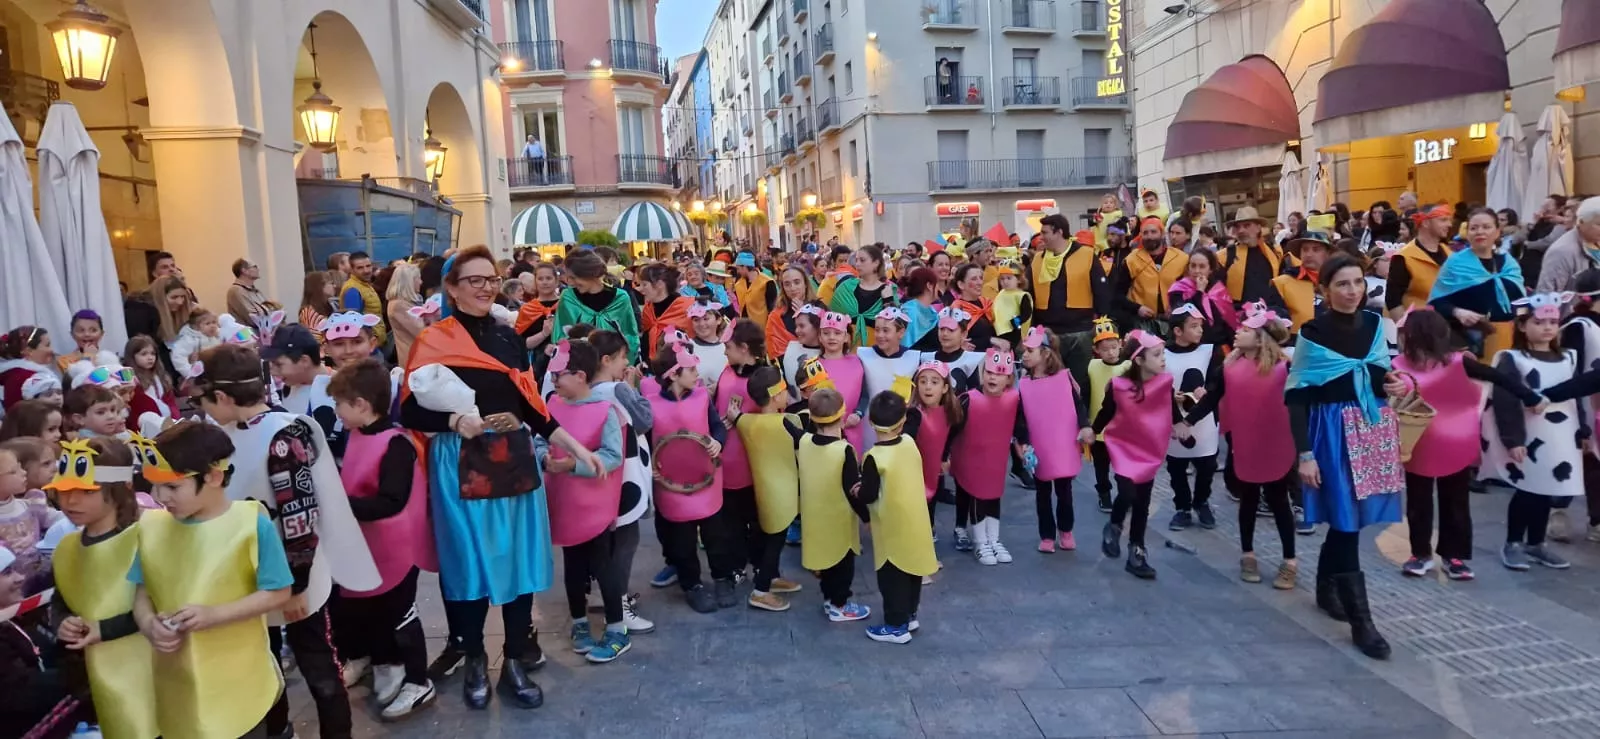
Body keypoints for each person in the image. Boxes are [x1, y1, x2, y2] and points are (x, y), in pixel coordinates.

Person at [401, 245, 602, 709]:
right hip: (459, 460)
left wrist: (576, 447)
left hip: (512, 456)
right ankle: (474, 657)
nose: (486, 287)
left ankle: (513, 659)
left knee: (518, 561)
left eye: (491, 279)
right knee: (466, 562)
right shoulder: (433, 340)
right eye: (474, 280)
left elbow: (531, 408)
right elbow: (409, 410)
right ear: (451, 289)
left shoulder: (507, 337)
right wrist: (455, 422)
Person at [193, 344, 378, 738]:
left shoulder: (283, 435)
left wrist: (295, 586)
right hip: (251, 575)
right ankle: (277, 730)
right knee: (263, 663)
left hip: (295, 578)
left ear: (222, 396)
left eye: (203, 401)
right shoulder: (223, 436)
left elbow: (300, 516)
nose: (203, 410)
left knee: (318, 665)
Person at [130, 421, 294, 738]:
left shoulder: (251, 524)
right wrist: (148, 623)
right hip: (177, 685)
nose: (160, 497)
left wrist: (215, 614)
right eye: (155, 486)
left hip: (238, 681)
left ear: (214, 477)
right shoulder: (151, 528)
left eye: (172, 487)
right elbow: (142, 590)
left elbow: (278, 591)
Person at [1286, 253, 1406, 660]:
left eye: (1358, 282)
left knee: (1350, 519)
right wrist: (1305, 454)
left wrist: (1395, 384)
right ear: (1325, 290)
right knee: (1347, 521)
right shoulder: (1313, 333)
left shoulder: (1374, 324)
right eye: (1342, 284)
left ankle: (1325, 587)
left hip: (1370, 428)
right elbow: (1297, 398)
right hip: (1332, 434)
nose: (1352, 291)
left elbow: (1379, 376)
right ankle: (1362, 622)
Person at [1393, 308, 1542, 582]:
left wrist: (1530, 397)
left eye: (1405, 333)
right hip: (1417, 442)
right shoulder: (1397, 365)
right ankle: (1420, 553)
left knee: (1456, 501)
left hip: (1456, 441)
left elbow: (1498, 377)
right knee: (1419, 501)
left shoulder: (1459, 362)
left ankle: (1454, 556)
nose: (1401, 338)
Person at [326, 359, 439, 718]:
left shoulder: (397, 444)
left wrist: (339, 503)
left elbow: (392, 502)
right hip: (366, 544)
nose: (336, 411)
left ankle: (418, 679)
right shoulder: (357, 434)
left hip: (395, 548)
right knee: (368, 608)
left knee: (399, 612)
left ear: (361, 405)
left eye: (339, 404)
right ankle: (385, 663)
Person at [45, 437, 157, 739]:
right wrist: (63, 622)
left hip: (155, 669)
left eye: (87, 491)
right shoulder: (67, 548)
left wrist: (106, 629)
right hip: (101, 679)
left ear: (122, 489)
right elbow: (62, 598)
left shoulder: (148, 536)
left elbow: (165, 600)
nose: (71, 501)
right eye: (64, 491)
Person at [1187, 303, 1300, 586]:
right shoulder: (1228, 368)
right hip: (1245, 442)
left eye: (1246, 329)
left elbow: (1302, 404)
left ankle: (1290, 560)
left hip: (1277, 443)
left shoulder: (1285, 367)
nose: (1238, 332)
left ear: (1260, 338)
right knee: (1248, 499)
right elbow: (1211, 399)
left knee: (1279, 500)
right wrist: (1187, 421)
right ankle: (1247, 555)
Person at [539, 341, 633, 663]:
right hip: (565, 502)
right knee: (573, 564)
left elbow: (612, 456)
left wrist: (572, 464)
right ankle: (579, 622)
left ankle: (617, 627)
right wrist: (543, 457)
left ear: (580, 376)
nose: (553, 382)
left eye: (558, 376)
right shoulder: (552, 406)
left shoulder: (606, 411)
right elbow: (539, 439)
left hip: (594, 506)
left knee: (604, 565)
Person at [1480, 293, 1584, 573]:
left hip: (1562, 434)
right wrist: (1512, 439)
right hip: (1529, 435)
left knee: (1548, 488)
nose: (1547, 328)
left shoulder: (1568, 358)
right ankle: (1513, 542)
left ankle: (1536, 543)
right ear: (1522, 325)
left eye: (1553, 322)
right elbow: (1505, 400)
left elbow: (1576, 395)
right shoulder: (1512, 359)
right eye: (1539, 322)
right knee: (1528, 488)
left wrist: (1583, 430)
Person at [646, 340, 733, 612]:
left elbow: (718, 427)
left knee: (716, 536)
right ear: (673, 374)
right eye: (691, 369)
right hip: (671, 487)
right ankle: (692, 584)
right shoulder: (650, 405)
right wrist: (650, 468)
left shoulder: (702, 397)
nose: (697, 373)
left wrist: (718, 442)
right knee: (682, 542)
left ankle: (722, 577)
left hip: (707, 481)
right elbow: (644, 444)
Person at [854, 390, 937, 644]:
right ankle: (910, 615)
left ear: (870, 422)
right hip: (916, 523)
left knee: (892, 579)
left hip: (891, 528)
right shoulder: (909, 443)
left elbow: (868, 495)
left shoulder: (873, 458)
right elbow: (912, 419)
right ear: (902, 422)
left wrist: (857, 490)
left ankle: (895, 626)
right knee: (913, 572)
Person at [1093, 329, 1173, 579]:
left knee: (1142, 503)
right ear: (1139, 360)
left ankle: (1137, 551)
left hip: (1149, 450)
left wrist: (1183, 426)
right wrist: (1091, 431)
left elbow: (1172, 410)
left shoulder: (1165, 383)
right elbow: (1106, 413)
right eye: (1157, 354)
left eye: (1163, 354)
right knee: (1128, 493)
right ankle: (1115, 525)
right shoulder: (1118, 387)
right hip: (1124, 448)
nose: (1163, 359)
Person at [729, 365, 804, 612]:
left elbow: (736, 416)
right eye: (783, 390)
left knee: (769, 537)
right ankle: (761, 591)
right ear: (775, 395)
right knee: (776, 541)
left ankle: (771, 576)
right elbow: (806, 441)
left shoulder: (746, 421)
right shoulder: (784, 423)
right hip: (783, 494)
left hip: (763, 492)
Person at [1018, 327, 1091, 553]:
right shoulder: (1023, 384)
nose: (1024, 355)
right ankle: (1047, 535)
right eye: (1024, 351)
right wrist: (1023, 442)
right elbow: (1020, 417)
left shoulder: (1064, 378)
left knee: (1064, 491)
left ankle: (1066, 530)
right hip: (1038, 446)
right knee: (1042, 494)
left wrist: (1085, 426)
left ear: (1046, 353)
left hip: (1063, 444)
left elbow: (1078, 404)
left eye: (1030, 351)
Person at [950, 349, 1023, 566]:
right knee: (977, 496)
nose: (993, 377)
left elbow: (1020, 424)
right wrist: (944, 455)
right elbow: (953, 428)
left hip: (995, 460)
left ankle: (994, 539)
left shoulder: (1013, 399)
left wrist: (1024, 444)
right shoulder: (969, 399)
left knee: (993, 496)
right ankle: (981, 542)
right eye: (989, 372)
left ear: (1009, 379)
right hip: (970, 459)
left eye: (1000, 374)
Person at [1430, 207, 1527, 358]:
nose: (1479, 232)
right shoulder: (1456, 263)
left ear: (1497, 232)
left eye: (1486, 227)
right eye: (1474, 228)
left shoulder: (1509, 263)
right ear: (1467, 233)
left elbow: (1521, 303)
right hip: (1470, 341)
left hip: (1510, 339)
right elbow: (1437, 302)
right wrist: (1458, 312)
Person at [1163, 305, 1223, 531]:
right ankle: (1182, 507)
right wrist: (1169, 396)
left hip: (1204, 419)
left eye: (1200, 326)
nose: (1200, 331)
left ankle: (1201, 501)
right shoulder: (1163, 353)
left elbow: (1217, 382)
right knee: (1176, 467)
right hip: (1174, 418)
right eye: (1194, 326)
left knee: (1207, 466)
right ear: (1178, 331)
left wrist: (1207, 389)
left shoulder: (1209, 351)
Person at [555, 250, 641, 362]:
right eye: (568, 277)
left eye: (573, 277)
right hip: (580, 366)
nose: (570, 282)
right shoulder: (568, 298)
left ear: (589, 274)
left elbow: (630, 337)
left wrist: (622, 365)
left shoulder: (621, 298)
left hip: (613, 366)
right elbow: (560, 337)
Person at [1111, 216, 1189, 334]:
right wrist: (1137, 308)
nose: (1149, 236)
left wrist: (1177, 305)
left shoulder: (1181, 258)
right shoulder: (1131, 260)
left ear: (1162, 234)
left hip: (1174, 320)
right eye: (1145, 233)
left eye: (1153, 232)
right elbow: (1118, 294)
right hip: (1142, 323)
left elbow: (1188, 289)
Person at [908, 360, 961, 537]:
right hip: (914, 468)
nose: (928, 386)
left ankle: (929, 530)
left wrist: (945, 457)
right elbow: (907, 439)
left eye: (934, 382)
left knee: (932, 498)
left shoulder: (950, 412)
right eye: (923, 381)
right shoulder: (915, 413)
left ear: (945, 388)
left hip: (934, 467)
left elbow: (951, 433)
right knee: (916, 503)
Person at [856, 307, 918, 449]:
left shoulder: (914, 358)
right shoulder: (863, 355)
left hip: (898, 427)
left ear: (901, 332)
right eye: (877, 330)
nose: (880, 335)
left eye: (886, 330)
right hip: (867, 425)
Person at [1269, 218, 1336, 334]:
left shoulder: (1338, 281)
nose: (1309, 254)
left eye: (1316, 249)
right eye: (1305, 249)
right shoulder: (1282, 283)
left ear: (1328, 253)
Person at [1387, 205, 1456, 315]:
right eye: (1443, 220)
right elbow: (1393, 301)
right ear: (1426, 223)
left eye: (1449, 220)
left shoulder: (1450, 254)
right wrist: (1405, 325)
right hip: (1419, 322)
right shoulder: (1404, 257)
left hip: (1449, 321)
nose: (1449, 224)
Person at [1219, 206, 1290, 308]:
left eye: (1247, 225)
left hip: (1272, 311)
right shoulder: (1225, 256)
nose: (1241, 230)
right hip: (1241, 314)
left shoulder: (1274, 252)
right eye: (1238, 227)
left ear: (1258, 227)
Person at [829, 245, 899, 346]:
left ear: (876, 263)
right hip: (846, 349)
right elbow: (832, 319)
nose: (857, 264)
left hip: (877, 350)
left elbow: (895, 325)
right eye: (856, 260)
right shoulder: (846, 287)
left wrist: (888, 300)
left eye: (862, 260)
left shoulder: (888, 290)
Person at [816, 313, 867, 450]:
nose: (831, 337)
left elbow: (864, 394)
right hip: (822, 432)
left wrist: (858, 413)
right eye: (826, 333)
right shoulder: (813, 366)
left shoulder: (857, 362)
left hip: (852, 430)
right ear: (820, 337)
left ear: (846, 337)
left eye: (837, 333)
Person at [1534, 196, 1600, 293]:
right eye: (1599, 224)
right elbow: (1547, 294)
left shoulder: (1595, 241)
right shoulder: (1561, 251)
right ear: (1581, 222)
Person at [124, 336, 178, 439]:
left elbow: (171, 404)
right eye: (144, 354)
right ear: (132, 356)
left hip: (169, 427)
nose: (150, 358)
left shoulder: (162, 378)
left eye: (153, 353)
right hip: (144, 433)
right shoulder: (130, 382)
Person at [515, 262, 563, 373]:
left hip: (565, 362)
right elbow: (522, 344)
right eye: (540, 279)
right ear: (535, 282)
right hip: (537, 366)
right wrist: (544, 334)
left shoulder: (565, 305)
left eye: (548, 278)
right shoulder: (527, 309)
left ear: (556, 281)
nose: (544, 282)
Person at [766, 265, 819, 361]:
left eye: (797, 282)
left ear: (805, 284)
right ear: (783, 288)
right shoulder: (775, 317)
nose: (792, 288)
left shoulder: (820, 308)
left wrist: (806, 315)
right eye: (787, 284)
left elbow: (829, 338)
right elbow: (775, 352)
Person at [1, 327, 57, 413]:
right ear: (29, 351)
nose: (51, 350)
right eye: (47, 345)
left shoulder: (16, 374)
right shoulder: (28, 377)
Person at [385, 261, 427, 368]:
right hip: (413, 359)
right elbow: (422, 332)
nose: (421, 282)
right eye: (418, 278)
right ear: (409, 281)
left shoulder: (408, 303)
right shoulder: (399, 306)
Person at [55, 311, 119, 375]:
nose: (87, 334)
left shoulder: (110, 358)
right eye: (81, 330)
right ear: (72, 335)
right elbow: (80, 380)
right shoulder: (64, 362)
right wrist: (88, 357)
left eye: (93, 330)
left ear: (101, 334)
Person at [168, 308, 221, 380]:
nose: (212, 326)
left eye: (214, 322)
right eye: (207, 323)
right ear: (196, 327)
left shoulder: (217, 336)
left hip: (215, 373)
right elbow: (178, 356)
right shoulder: (189, 339)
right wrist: (190, 372)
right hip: (197, 376)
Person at [687, 300, 730, 388]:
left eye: (706, 319)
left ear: (718, 320)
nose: (701, 324)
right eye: (696, 320)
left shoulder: (729, 347)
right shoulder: (686, 347)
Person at [225, 258, 278, 327]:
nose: (258, 269)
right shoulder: (236, 290)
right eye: (255, 266)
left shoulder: (256, 291)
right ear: (244, 270)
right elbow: (253, 319)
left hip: (266, 329)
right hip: (250, 332)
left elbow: (270, 310)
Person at [732, 251, 777, 326]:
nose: (738, 271)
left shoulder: (767, 282)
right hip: (745, 327)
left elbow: (772, 307)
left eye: (738, 268)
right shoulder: (738, 284)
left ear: (744, 267)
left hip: (762, 327)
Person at [299, 270, 340, 342]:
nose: (334, 286)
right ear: (320, 287)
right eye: (331, 283)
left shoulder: (329, 306)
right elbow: (316, 341)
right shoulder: (309, 312)